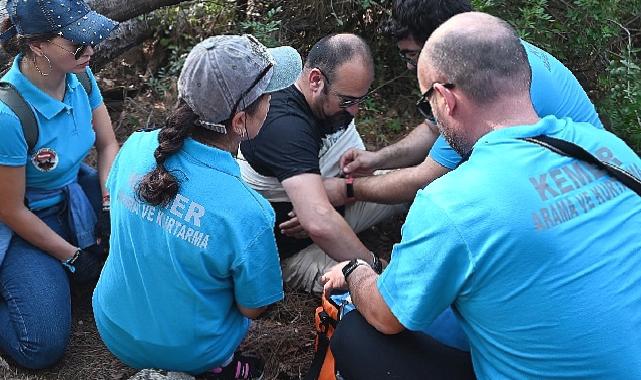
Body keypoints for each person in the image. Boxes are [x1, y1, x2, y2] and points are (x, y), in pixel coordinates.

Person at [321, 12, 641, 379]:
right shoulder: (610, 150)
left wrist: (356, 269)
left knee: (356, 337)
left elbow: (384, 314)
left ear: (444, 99)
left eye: (428, 105)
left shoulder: (453, 202)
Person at [92, 34, 302, 379]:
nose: (271, 102)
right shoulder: (248, 212)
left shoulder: (134, 147)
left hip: (113, 326)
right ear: (239, 122)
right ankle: (224, 368)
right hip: (193, 352)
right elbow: (253, 307)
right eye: (267, 95)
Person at [335, 0, 605, 205]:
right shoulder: (491, 49)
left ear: (439, 41)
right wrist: (377, 159)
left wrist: (345, 190)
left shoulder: (481, 81)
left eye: (412, 55)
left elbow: (425, 177)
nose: (410, 66)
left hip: (579, 191)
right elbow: (433, 130)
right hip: (575, 172)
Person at [237, 33, 407, 294]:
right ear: (316, 80)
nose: (354, 111)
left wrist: (333, 194)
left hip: (340, 208)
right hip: (295, 250)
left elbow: (327, 203)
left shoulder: (328, 104)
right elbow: (319, 221)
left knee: (412, 184)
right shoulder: (283, 126)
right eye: (348, 101)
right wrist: (375, 265)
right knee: (382, 290)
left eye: (360, 99)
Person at [0, 0, 118, 369]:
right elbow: (9, 208)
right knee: (41, 346)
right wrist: (71, 255)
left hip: (73, 191)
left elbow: (108, 143)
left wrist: (109, 205)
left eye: (90, 39)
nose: (90, 50)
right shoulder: (9, 114)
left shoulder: (81, 76)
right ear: (37, 45)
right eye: (77, 43)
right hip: (26, 217)